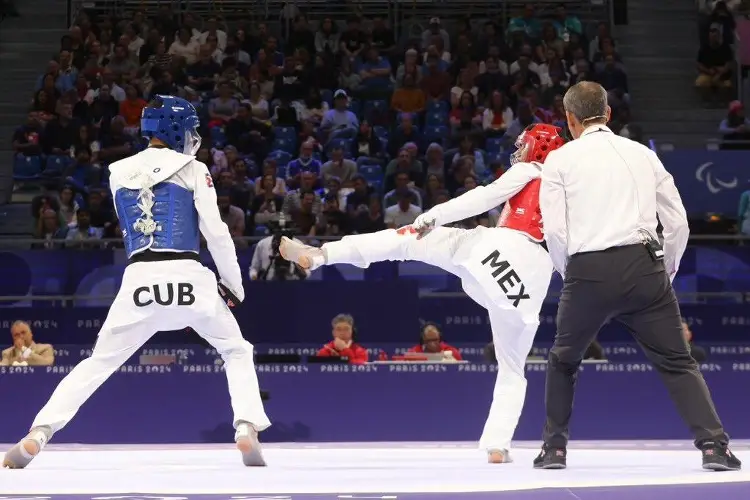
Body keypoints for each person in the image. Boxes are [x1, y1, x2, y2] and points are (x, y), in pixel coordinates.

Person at [3, 95, 270, 470]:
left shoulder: (116, 172)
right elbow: (217, 233)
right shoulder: (194, 169)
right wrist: (234, 285)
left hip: (139, 281)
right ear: (175, 129)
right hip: (189, 276)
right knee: (236, 349)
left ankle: (38, 433)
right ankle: (246, 426)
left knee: (98, 363)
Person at [280, 123, 565, 464]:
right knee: (513, 368)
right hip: (529, 285)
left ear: (539, 149)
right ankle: (497, 444)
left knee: (406, 240)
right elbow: (566, 250)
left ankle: (321, 255)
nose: (519, 151)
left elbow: (484, 196)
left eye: (526, 145)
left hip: (496, 252)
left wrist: (434, 215)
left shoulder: (531, 169)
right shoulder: (571, 191)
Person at [536, 81, 740, 471]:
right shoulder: (642, 155)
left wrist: (571, 273)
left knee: (564, 361)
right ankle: (714, 447)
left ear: (569, 119)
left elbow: (555, 231)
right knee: (678, 362)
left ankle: (554, 450)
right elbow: (677, 222)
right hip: (645, 269)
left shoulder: (560, 160)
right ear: (608, 114)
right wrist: (667, 269)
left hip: (587, 271)